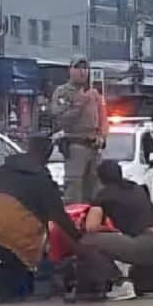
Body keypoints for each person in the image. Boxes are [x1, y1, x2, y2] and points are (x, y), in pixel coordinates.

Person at [0, 134, 85, 302]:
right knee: (28, 267)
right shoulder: (41, 180)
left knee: (11, 260)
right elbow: (59, 216)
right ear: (46, 154)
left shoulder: (5, 171)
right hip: (14, 235)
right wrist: (79, 238)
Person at [83, 160, 153, 301]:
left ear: (100, 178)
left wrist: (110, 230)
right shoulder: (137, 188)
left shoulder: (104, 194)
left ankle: (120, 283)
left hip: (145, 243)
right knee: (141, 284)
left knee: (87, 241)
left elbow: (91, 227)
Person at [51, 56, 107, 204]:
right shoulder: (63, 92)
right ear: (70, 70)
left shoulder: (93, 93)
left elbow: (102, 118)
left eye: (85, 68)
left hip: (94, 146)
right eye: (77, 68)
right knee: (74, 188)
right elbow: (61, 118)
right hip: (76, 144)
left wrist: (101, 136)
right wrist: (79, 104)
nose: (82, 71)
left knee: (95, 189)